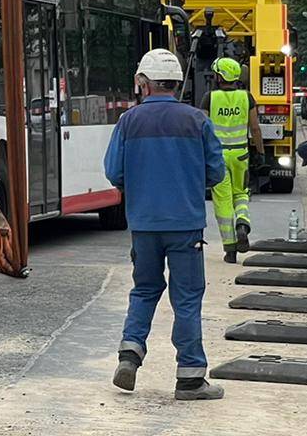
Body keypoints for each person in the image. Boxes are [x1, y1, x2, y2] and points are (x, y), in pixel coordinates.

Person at [104, 48, 227, 401]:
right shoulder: (197, 120)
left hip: (144, 225)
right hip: (185, 225)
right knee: (186, 297)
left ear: (143, 83)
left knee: (144, 289)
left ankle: (129, 355)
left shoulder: (128, 121)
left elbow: (113, 171)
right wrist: (188, 181)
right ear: (175, 83)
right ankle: (190, 378)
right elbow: (216, 172)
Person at [200, 57, 263, 263]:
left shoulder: (209, 98)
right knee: (241, 193)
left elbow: (202, 128)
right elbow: (255, 128)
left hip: (217, 157)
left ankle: (230, 249)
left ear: (220, 77)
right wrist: (260, 153)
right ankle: (242, 223)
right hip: (240, 155)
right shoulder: (247, 97)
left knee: (223, 201)